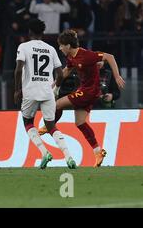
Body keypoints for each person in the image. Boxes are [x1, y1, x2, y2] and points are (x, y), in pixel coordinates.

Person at [38, 30, 126, 167]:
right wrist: (55, 83)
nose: (60, 48)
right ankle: (98, 151)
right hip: (86, 91)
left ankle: (48, 126)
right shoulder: (71, 57)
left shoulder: (86, 56)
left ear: (68, 45)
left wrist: (117, 76)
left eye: (61, 46)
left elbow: (110, 57)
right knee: (80, 123)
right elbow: (67, 69)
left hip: (89, 92)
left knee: (56, 105)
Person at [14, 19, 76, 169]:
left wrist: (17, 90)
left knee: (28, 122)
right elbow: (60, 74)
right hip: (47, 92)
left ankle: (44, 153)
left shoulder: (24, 46)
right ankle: (69, 157)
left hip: (30, 91)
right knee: (51, 126)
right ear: (42, 33)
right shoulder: (51, 49)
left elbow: (18, 69)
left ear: (29, 32)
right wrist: (55, 90)